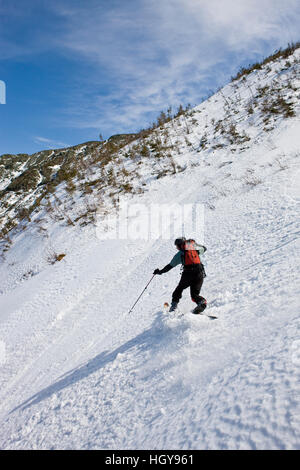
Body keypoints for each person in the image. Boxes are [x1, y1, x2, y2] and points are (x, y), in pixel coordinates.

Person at [153, 237, 207, 313]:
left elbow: (170, 266)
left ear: (179, 245)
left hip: (188, 274)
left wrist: (159, 272)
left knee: (179, 289)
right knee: (194, 295)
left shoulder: (180, 254)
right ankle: (202, 302)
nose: (177, 248)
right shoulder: (194, 250)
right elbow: (204, 248)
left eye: (177, 246)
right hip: (200, 274)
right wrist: (195, 245)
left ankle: (173, 307)